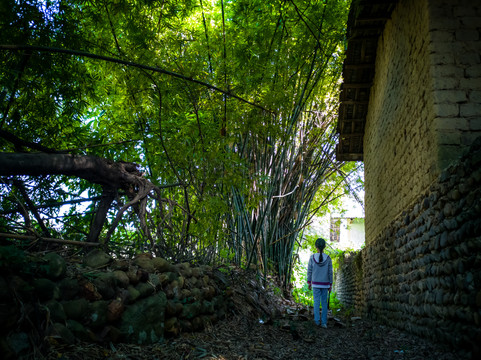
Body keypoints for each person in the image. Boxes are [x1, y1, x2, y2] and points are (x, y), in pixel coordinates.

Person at [307, 237, 333, 328]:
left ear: (316, 246)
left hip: (315, 283)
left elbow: (309, 270)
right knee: (324, 303)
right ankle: (324, 323)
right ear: (324, 247)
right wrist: (330, 284)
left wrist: (309, 282)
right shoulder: (328, 258)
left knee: (316, 303)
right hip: (325, 284)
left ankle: (317, 321)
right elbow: (330, 272)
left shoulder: (312, 257)